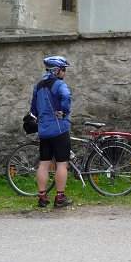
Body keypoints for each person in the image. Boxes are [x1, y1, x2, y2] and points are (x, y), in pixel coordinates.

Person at [32, 56, 73, 208]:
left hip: (43, 131)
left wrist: (40, 115)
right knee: (62, 164)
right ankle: (60, 197)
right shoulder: (58, 84)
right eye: (63, 70)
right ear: (56, 71)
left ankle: (42, 197)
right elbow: (67, 96)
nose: (65, 73)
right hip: (59, 130)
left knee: (43, 164)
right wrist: (64, 111)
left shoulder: (38, 86)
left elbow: (33, 108)